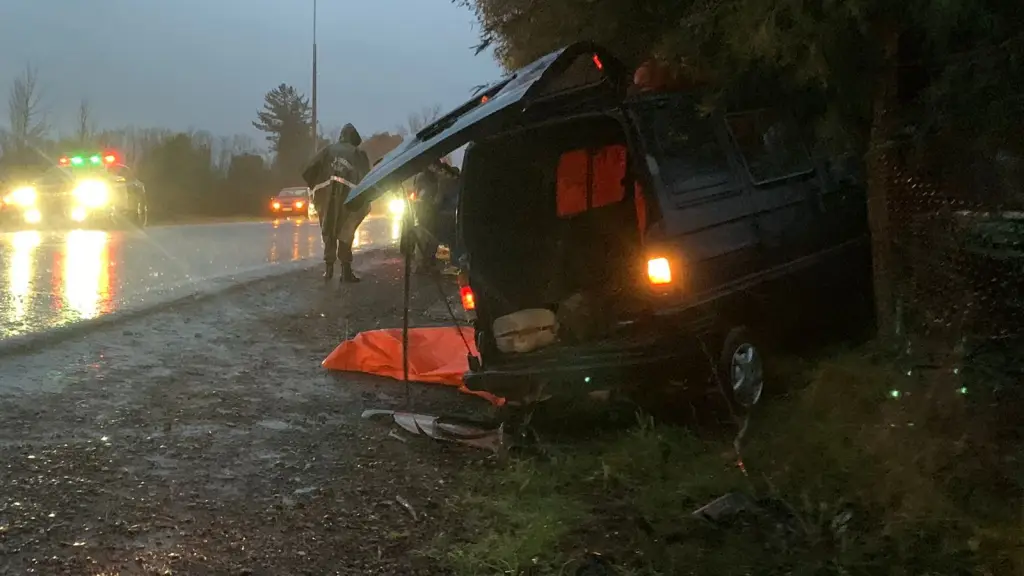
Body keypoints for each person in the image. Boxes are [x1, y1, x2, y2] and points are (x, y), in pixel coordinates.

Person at [303, 123, 371, 282]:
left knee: (328, 229)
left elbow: (309, 169)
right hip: (349, 198)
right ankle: (346, 271)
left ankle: (329, 269)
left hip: (327, 197)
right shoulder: (357, 153)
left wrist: (318, 188)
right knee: (346, 231)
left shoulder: (327, 150)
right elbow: (366, 176)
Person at [410, 158, 460, 274]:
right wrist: (441, 188)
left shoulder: (443, 180)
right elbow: (433, 203)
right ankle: (433, 262)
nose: (438, 171)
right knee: (441, 236)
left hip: (438, 216)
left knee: (447, 235)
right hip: (430, 217)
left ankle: (439, 262)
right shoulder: (423, 179)